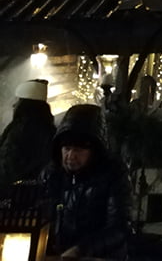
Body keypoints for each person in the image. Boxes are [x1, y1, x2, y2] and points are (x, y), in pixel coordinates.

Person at [40, 103, 132, 259]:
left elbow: (118, 227)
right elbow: (41, 214)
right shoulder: (51, 174)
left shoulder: (112, 174)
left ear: (94, 151)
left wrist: (81, 250)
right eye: (67, 148)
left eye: (79, 150)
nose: (71, 155)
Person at [0, 79, 55, 195]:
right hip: (38, 192)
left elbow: (7, 165)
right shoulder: (50, 129)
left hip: (15, 194)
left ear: (22, 105)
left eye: (17, 101)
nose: (13, 105)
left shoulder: (19, 130)